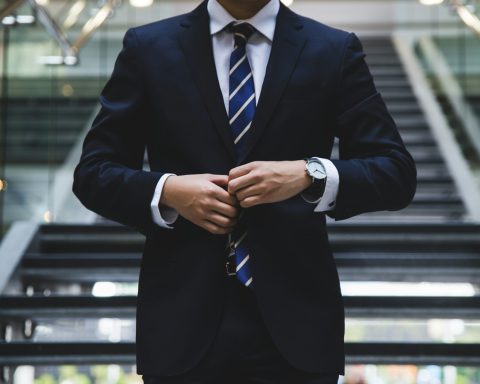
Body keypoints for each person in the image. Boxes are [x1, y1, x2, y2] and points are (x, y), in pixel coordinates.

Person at [72, 0, 417, 382]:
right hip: (180, 325)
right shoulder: (148, 47)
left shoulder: (333, 49)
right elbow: (93, 173)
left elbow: (395, 172)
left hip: (297, 327)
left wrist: (309, 173)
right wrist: (168, 190)